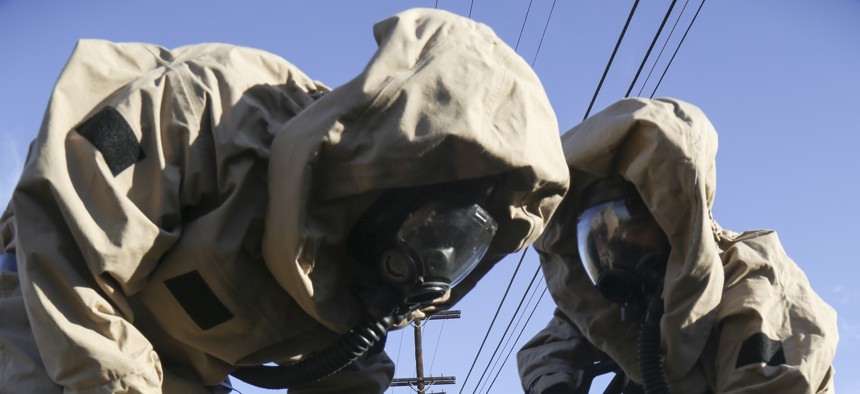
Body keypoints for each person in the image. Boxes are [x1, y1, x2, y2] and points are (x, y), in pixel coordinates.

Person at [0, 8, 571, 393]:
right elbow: (66, 242)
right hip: (43, 303)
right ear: (403, 170)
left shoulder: (368, 279)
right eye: (437, 218)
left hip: (174, 371)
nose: (438, 246)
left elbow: (350, 368)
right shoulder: (211, 108)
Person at [516, 98, 838, 393]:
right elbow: (548, 347)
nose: (613, 247)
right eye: (599, 235)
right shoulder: (627, 309)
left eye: (629, 225)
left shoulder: (751, 283)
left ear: (671, 220)